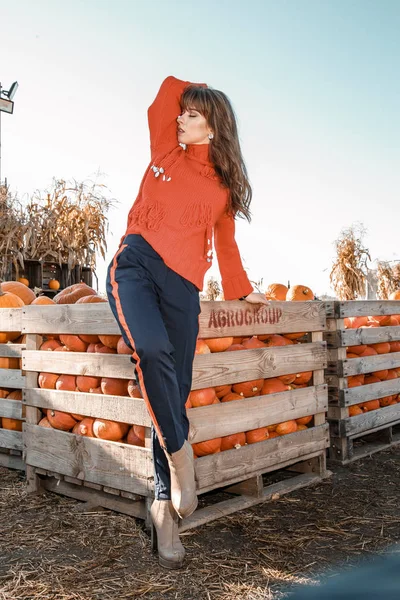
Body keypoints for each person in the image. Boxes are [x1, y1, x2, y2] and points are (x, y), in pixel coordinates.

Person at [106, 75, 268, 569]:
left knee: (172, 391)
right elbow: (165, 92)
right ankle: (181, 456)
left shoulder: (220, 190)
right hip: (134, 265)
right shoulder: (165, 151)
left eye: (194, 115)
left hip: (183, 288)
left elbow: (228, 245)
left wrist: (243, 290)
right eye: (185, 113)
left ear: (214, 128)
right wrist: (199, 93)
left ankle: (163, 508)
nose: (182, 118)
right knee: (151, 352)